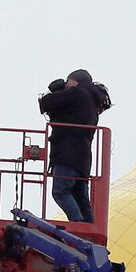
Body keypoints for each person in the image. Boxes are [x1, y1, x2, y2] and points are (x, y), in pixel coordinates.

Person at [38, 69, 109, 224]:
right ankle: (89, 229)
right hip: (83, 160)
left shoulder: (77, 93)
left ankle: (78, 224)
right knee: (81, 198)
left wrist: (55, 90)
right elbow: (60, 113)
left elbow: (46, 103)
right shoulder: (91, 103)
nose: (66, 85)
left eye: (68, 82)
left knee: (60, 191)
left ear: (75, 82)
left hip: (66, 154)